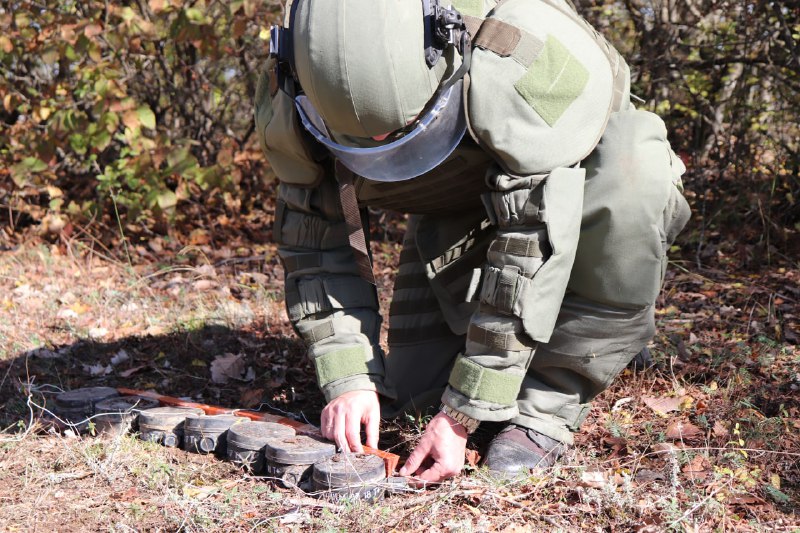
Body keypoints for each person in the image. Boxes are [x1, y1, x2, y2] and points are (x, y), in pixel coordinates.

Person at [254, 0, 691, 483]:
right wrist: (348, 376)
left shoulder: (523, 54)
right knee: (414, 397)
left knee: (633, 180)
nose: (379, 147)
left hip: (577, 176)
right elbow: (313, 244)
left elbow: (533, 243)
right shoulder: (291, 84)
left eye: (398, 134)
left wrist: (464, 410)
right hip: (464, 200)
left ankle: (552, 397)